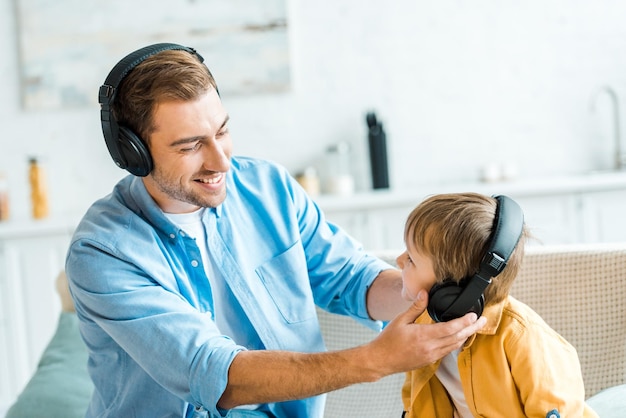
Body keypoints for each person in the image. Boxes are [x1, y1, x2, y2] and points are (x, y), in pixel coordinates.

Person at [65, 43, 485, 418]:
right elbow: (214, 374)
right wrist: (373, 360)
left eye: (223, 131)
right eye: (191, 146)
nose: (221, 162)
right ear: (133, 153)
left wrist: (436, 290)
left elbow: (351, 279)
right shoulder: (102, 252)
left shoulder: (268, 188)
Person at [395, 193, 598, 417]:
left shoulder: (522, 337)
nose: (399, 260)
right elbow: (416, 406)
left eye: (411, 258)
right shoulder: (421, 333)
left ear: (453, 288)